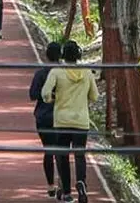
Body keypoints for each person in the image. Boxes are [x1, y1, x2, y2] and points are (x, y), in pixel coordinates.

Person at [41, 40, 98, 203]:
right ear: (78, 55)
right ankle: (81, 182)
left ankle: (66, 192)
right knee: (80, 154)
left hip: (62, 121)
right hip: (81, 121)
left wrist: (52, 99)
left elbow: (45, 93)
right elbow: (94, 96)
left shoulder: (56, 72)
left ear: (63, 55)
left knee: (62, 156)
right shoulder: (87, 73)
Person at [29, 41, 63, 198]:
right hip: (62, 117)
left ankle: (50, 186)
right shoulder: (65, 73)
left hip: (43, 117)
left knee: (49, 151)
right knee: (61, 151)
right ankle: (63, 183)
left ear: (46, 55)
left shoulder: (40, 74)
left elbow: (32, 95)